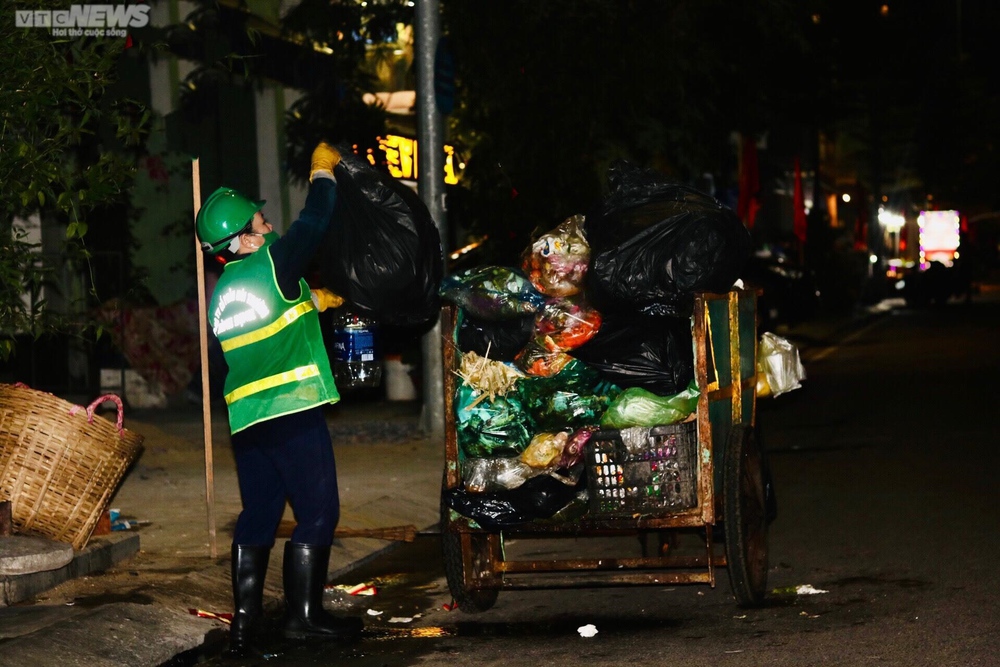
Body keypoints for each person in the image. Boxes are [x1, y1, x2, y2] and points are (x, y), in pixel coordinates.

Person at [195, 142, 360, 657]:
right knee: (317, 512)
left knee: (259, 513)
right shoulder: (273, 262)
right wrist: (322, 173)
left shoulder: (219, 296)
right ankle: (303, 619)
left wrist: (310, 302)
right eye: (260, 222)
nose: (268, 225)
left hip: (247, 423)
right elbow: (316, 222)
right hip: (291, 411)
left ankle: (245, 626)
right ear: (242, 241)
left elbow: (251, 340)